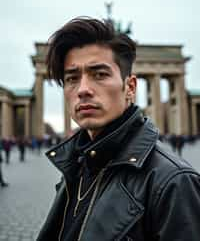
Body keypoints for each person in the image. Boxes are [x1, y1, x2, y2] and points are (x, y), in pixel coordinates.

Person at [37, 17, 200, 241]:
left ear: (130, 87)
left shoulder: (174, 182)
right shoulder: (77, 164)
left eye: (100, 74)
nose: (83, 89)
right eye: (72, 78)